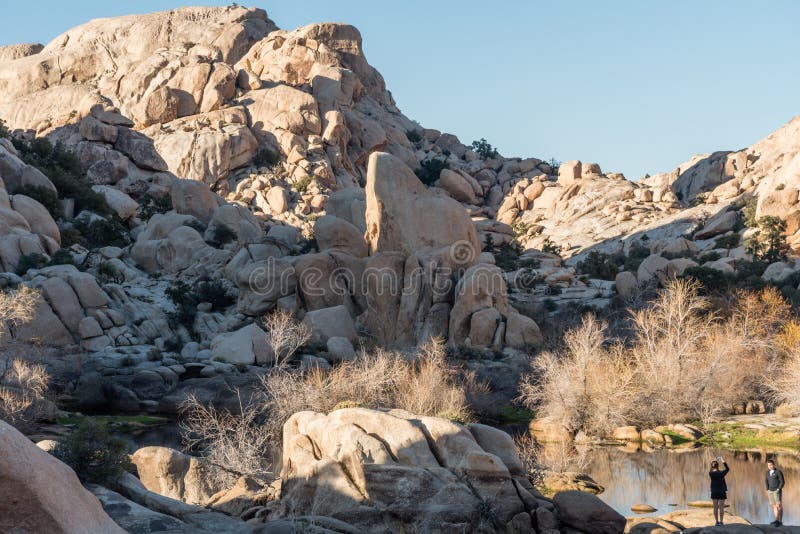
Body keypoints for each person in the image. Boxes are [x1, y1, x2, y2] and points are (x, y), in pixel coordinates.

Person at [709, 456, 730, 526]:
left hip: (714, 492)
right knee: (721, 507)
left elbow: (711, 468)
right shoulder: (721, 473)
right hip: (721, 492)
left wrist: (714, 461)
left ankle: (716, 522)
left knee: (715, 507)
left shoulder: (711, 473)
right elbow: (727, 469)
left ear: (712, 466)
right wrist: (722, 460)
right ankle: (721, 522)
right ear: (718, 466)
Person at [766, 459, 785, 527]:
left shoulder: (778, 472)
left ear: (774, 465)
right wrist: (767, 489)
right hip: (770, 491)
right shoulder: (768, 472)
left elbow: (782, 482)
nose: (770, 466)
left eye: (771, 465)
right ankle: (776, 520)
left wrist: (778, 489)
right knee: (774, 506)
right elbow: (766, 481)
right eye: (768, 465)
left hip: (777, 491)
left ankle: (779, 521)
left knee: (778, 506)